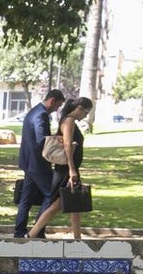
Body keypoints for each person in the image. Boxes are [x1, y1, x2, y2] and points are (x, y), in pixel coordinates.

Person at [28, 96, 94, 241]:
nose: (86, 115)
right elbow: (68, 145)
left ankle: (77, 238)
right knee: (57, 205)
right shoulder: (69, 121)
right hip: (66, 169)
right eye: (86, 111)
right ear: (79, 108)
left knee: (74, 203)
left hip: (69, 169)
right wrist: (72, 170)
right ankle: (32, 234)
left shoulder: (67, 121)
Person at [14, 89, 65, 238]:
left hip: (28, 161)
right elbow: (41, 139)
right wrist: (60, 140)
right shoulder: (41, 115)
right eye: (57, 106)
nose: (56, 110)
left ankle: (19, 231)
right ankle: (38, 229)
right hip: (38, 163)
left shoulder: (33, 111)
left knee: (26, 199)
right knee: (51, 194)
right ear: (51, 101)